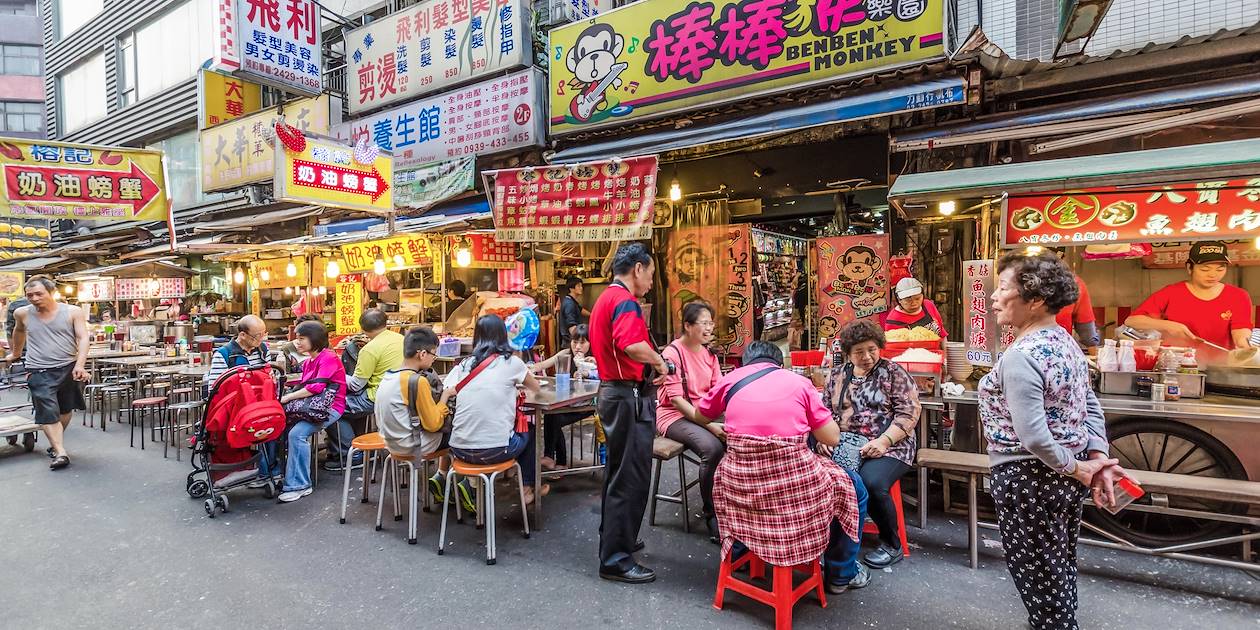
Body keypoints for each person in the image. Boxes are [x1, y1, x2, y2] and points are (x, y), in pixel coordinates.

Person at [981, 250, 1128, 630]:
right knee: (1057, 560)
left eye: (1002, 289)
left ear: (1035, 301)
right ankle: (1058, 621)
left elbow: (1032, 436)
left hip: (1029, 478)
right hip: (1061, 478)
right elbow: (1089, 404)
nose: (995, 298)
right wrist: (1097, 456)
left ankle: (1055, 624)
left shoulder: (1023, 355)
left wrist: (1081, 469)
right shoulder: (1065, 341)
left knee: (1035, 567)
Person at [699, 341, 868, 595]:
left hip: (741, 484)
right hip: (793, 486)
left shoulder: (729, 380)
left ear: (746, 363)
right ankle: (841, 574)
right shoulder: (799, 383)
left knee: (745, 486)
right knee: (854, 489)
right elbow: (832, 438)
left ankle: (739, 551)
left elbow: (702, 415)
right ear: (779, 364)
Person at [588, 242, 672, 584]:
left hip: (615, 393)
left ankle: (617, 539)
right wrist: (658, 359)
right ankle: (616, 559)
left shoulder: (605, 299)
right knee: (630, 476)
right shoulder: (624, 300)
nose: (651, 281)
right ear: (637, 269)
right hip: (625, 396)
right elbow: (631, 345)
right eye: (650, 274)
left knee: (619, 473)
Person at [821, 320, 920, 569]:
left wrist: (884, 441)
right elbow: (823, 413)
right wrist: (824, 439)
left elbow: (908, 413)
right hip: (845, 443)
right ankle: (831, 538)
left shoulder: (894, 373)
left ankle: (891, 543)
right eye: (859, 352)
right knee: (821, 476)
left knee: (871, 482)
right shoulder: (837, 375)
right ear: (848, 353)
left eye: (872, 349)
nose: (866, 356)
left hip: (892, 445)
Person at [444, 315, 545, 503]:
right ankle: (527, 490)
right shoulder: (512, 363)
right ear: (503, 336)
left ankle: (475, 485)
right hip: (496, 450)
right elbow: (536, 388)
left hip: (459, 449)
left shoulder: (465, 365)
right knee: (529, 432)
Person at [2, 277, 90, 470]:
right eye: (29, 295)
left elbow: (83, 338)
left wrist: (80, 365)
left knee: (65, 409)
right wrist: (15, 353)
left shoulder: (72, 312)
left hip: (68, 366)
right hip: (38, 368)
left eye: (38, 294)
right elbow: (19, 332)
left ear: (51, 293)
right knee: (47, 410)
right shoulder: (22, 313)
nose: (34, 298)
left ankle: (55, 444)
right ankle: (60, 452)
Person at [657, 301, 725, 541]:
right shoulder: (672, 354)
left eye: (710, 323)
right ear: (687, 326)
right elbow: (676, 401)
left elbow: (719, 391)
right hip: (674, 415)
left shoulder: (709, 353)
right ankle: (712, 513)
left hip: (704, 413)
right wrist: (711, 427)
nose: (709, 328)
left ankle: (733, 506)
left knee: (739, 438)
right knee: (712, 448)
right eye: (704, 323)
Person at [261, 320, 348, 503]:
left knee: (297, 434)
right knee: (275, 425)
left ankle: (300, 484)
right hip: (309, 407)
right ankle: (272, 472)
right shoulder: (309, 361)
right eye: (296, 338)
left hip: (329, 408)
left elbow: (316, 387)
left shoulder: (329, 358)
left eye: (301, 338)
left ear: (315, 339)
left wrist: (286, 398)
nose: (297, 342)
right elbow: (304, 385)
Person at [1126, 241, 1256, 354]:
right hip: (1177, 365)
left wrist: (1243, 345)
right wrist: (1168, 325)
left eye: (1220, 269)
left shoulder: (1237, 295)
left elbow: (1240, 328)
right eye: (1205, 269)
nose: (1213, 275)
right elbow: (1132, 321)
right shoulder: (1171, 293)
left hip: (1221, 367)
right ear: (1189, 268)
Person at [332, 309, 404, 471]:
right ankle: (364, 447)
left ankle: (353, 455)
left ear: (363, 329)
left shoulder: (370, 349)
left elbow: (356, 385)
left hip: (377, 397)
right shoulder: (402, 339)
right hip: (402, 394)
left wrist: (337, 373)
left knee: (332, 409)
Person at [528, 324, 597, 470]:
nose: (577, 346)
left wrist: (588, 368)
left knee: (554, 417)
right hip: (566, 402)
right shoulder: (565, 354)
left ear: (591, 343)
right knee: (551, 414)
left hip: (587, 405)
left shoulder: (594, 359)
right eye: (575, 341)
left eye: (582, 342)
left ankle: (557, 460)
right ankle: (554, 460)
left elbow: (601, 379)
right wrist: (528, 368)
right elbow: (541, 365)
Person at [203, 315, 269, 390]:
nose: (261, 339)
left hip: (262, 399)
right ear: (243, 335)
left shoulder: (263, 350)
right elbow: (214, 389)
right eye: (257, 336)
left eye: (263, 334)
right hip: (236, 399)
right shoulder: (223, 354)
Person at [883, 277, 947, 336]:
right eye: (908, 300)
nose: (914, 303)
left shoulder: (928, 305)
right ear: (899, 300)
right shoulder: (893, 321)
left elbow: (942, 333)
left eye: (917, 298)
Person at [1055, 274, 1099, 352]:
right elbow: (1088, 336)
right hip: (1060, 352)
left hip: (1027, 352)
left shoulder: (1028, 280)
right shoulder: (1074, 283)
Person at [557, 276, 590, 348]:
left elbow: (580, 309)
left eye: (581, 286)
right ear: (571, 288)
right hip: (569, 342)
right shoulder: (569, 304)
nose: (581, 288)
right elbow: (571, 325)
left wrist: (593, 315)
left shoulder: (570, 300)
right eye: (578, 286)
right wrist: (579, 342)